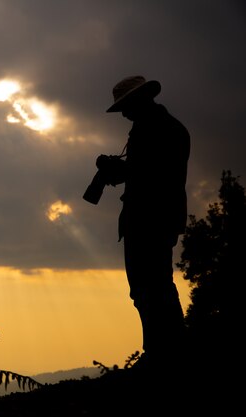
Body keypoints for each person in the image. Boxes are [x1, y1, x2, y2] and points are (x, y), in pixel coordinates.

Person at [101, 75, 190, 370]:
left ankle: (165, 353)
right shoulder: (164, 127)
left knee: (151, 287)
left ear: (138, 101)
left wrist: (119, 170)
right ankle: (165, 350)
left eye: (126, 106)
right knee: (151, 287)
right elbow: (151, 173)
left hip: (149, 218)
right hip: (156, 216)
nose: (124, 113)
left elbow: (151, 176)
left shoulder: (155, 130)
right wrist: (122, 170)